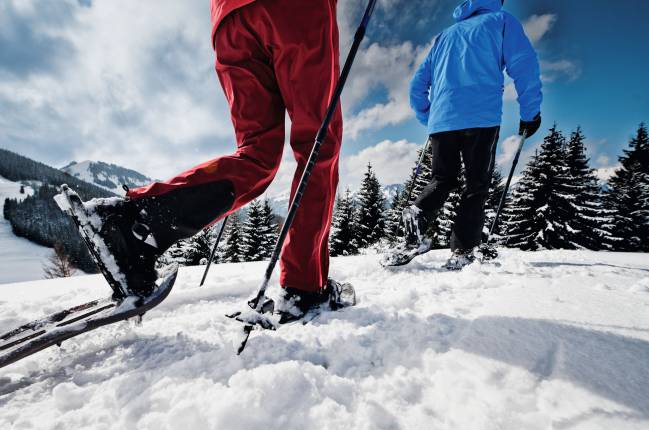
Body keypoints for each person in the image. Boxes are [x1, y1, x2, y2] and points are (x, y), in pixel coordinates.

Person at [72, 0, 344, 322]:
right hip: (295, 10)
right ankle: (304, 288)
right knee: (318, 143)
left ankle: (130, 224)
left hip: (229, 21)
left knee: (257, 153)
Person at [385, 0, 542, 270]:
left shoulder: (445, 36)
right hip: (481, 119)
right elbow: (524, 66)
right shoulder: (501, 21)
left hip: (442, 122)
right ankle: (462, 250)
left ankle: (417, 223)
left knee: (442, 178)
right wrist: (530, 114)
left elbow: (416, 87)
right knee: (476, 186)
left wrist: (429, 117)